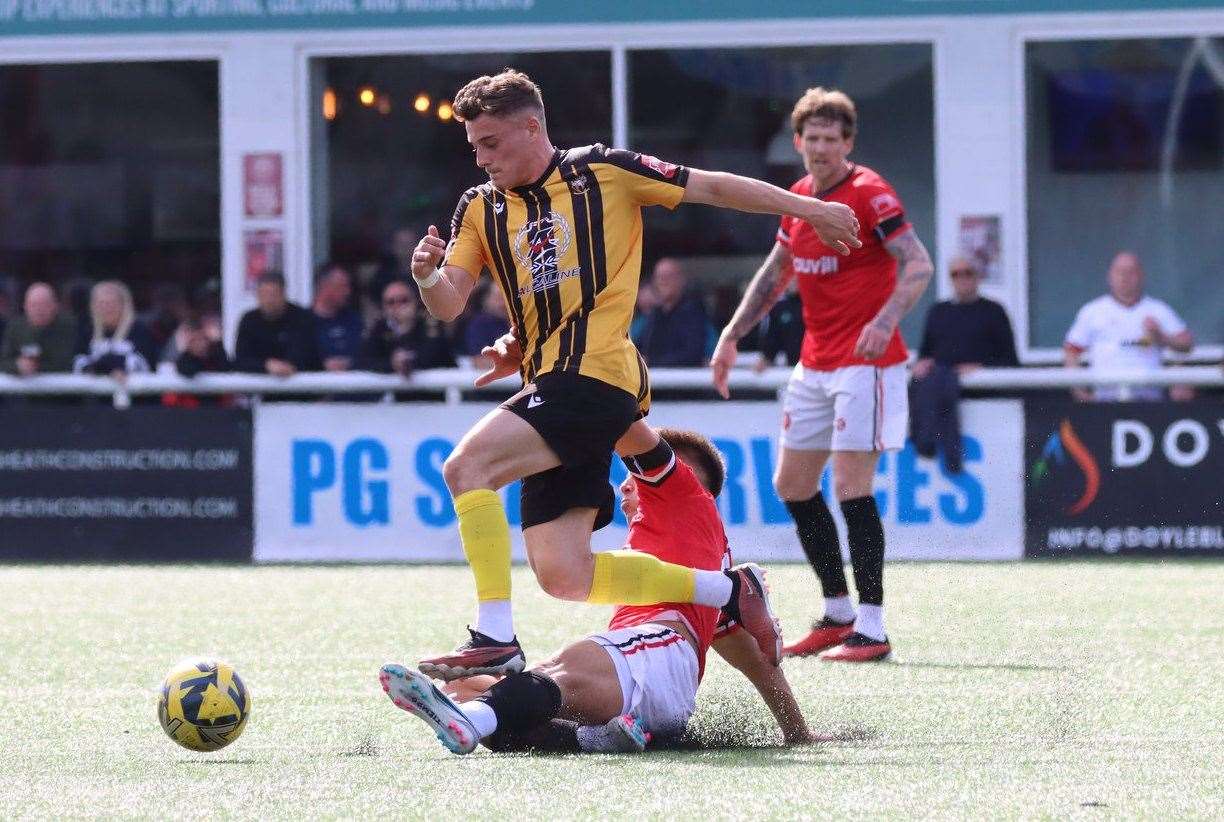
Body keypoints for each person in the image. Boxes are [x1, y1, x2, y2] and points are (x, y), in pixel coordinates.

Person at [407, 68, 860, 679]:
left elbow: (714, 188)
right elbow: (449, 301)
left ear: (531, 127)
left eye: (491, 144)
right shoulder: (480, 208)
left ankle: (494, 637)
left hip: (596, 376)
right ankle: (728, 592)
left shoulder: (604, 172)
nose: (481, 158)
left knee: (466, 468)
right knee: (566, 576)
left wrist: (805, 206)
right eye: (474, 148)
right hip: (551, 385)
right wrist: (428, 276)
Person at [381, 428, 814, 755]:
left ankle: (470, 720)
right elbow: (755, 659)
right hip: (656, 682)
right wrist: (797, 731)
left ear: (687, 482)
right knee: (505, 698)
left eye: (641, 477)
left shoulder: (685, 497)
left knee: (557, 672)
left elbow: (626, 424)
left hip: (657, 654)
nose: (628, 482)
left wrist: (579, 384)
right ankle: (595, 738)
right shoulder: (699, 558)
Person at [710, 86, 934, 663]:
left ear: (848, 143)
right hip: (815, 363)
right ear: (798, 142)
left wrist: (886, 321)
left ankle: (874, 626)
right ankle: (836, 613)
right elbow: (775, 272)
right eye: (812, 139)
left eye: (831, 140)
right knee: (792, 485)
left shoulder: (870, 192)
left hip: (868, 364)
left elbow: (918, 263)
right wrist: (732, 336)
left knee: (851, 487)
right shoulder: (801, 198)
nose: (821, 150)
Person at [910, 258, 1019, 472]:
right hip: (941, 387)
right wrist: (922, 365)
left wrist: (981, 368)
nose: (962, 279)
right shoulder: (938, 312)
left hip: (982, 395)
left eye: (967, 273)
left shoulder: (994, 312)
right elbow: (925, 353)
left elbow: (1011, 360)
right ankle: (926, 442)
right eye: (955, 274)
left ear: (978, 277)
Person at [1064, 251, 1192, 402]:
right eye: (1120, 272)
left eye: (1131, 272)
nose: (1125, 277)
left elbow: (1186, 344)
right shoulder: (1092, 311)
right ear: (1110, 276)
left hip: (1149, 402)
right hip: (1104, 402)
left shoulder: (1157, 310)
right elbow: (1071, 350)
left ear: (1141, 276)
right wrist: (1079, 392)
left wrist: (1161, 337)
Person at [357, 279, 455, 374]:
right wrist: (391, 364)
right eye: (391, 302)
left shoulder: (430, 325)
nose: (397, 306)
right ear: (383, 307)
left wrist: (410, 361)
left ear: (415, 302)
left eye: (404, 300)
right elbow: (363, 361)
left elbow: (436, 356)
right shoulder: (378, 330)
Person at [234, 271, 321, 376]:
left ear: (283, 294)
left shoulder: (302, 318)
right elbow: (241, 359)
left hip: (299, 386)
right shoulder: (249, 320)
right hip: (259, 388)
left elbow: (309, 355)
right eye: (264, 294)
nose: (269, 300)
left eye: (273, 294)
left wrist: (288, 366)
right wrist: (266, 366)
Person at [72, 280, 159, 377]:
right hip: (95, 391)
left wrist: (101, 366)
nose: (107, 308)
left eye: (112, 303)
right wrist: (107, 368)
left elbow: (144, 364)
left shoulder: (140, 331)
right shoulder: (87, 331)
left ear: (123, 305)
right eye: (101, 304)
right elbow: (78, 363)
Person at [634, 257, 711, 367]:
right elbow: (639, 348)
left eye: (668, 277)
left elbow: (692, 355)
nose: (662, 282)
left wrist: (652, 362)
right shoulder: (655, 315)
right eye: (659, 277)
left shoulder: (692, 313)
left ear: (681, 280)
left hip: (684, 381)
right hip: (654, 380)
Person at [0, 282, 77, 375]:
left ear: (55, 306)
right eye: (34, 305)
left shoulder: (67, 327)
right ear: (25, 307)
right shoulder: (15, 328)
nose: (39, 310)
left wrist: (34, 367)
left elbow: (66, 362)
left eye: (44, 305)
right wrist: (17, 366)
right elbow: (3, 360)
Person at [312, 263, 364, 372]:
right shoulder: (303, 322)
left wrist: (350, 363)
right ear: (325, 286)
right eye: (342, 286)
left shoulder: (354, 321)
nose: (348, 292)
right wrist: (322, 364)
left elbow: (366, 354)